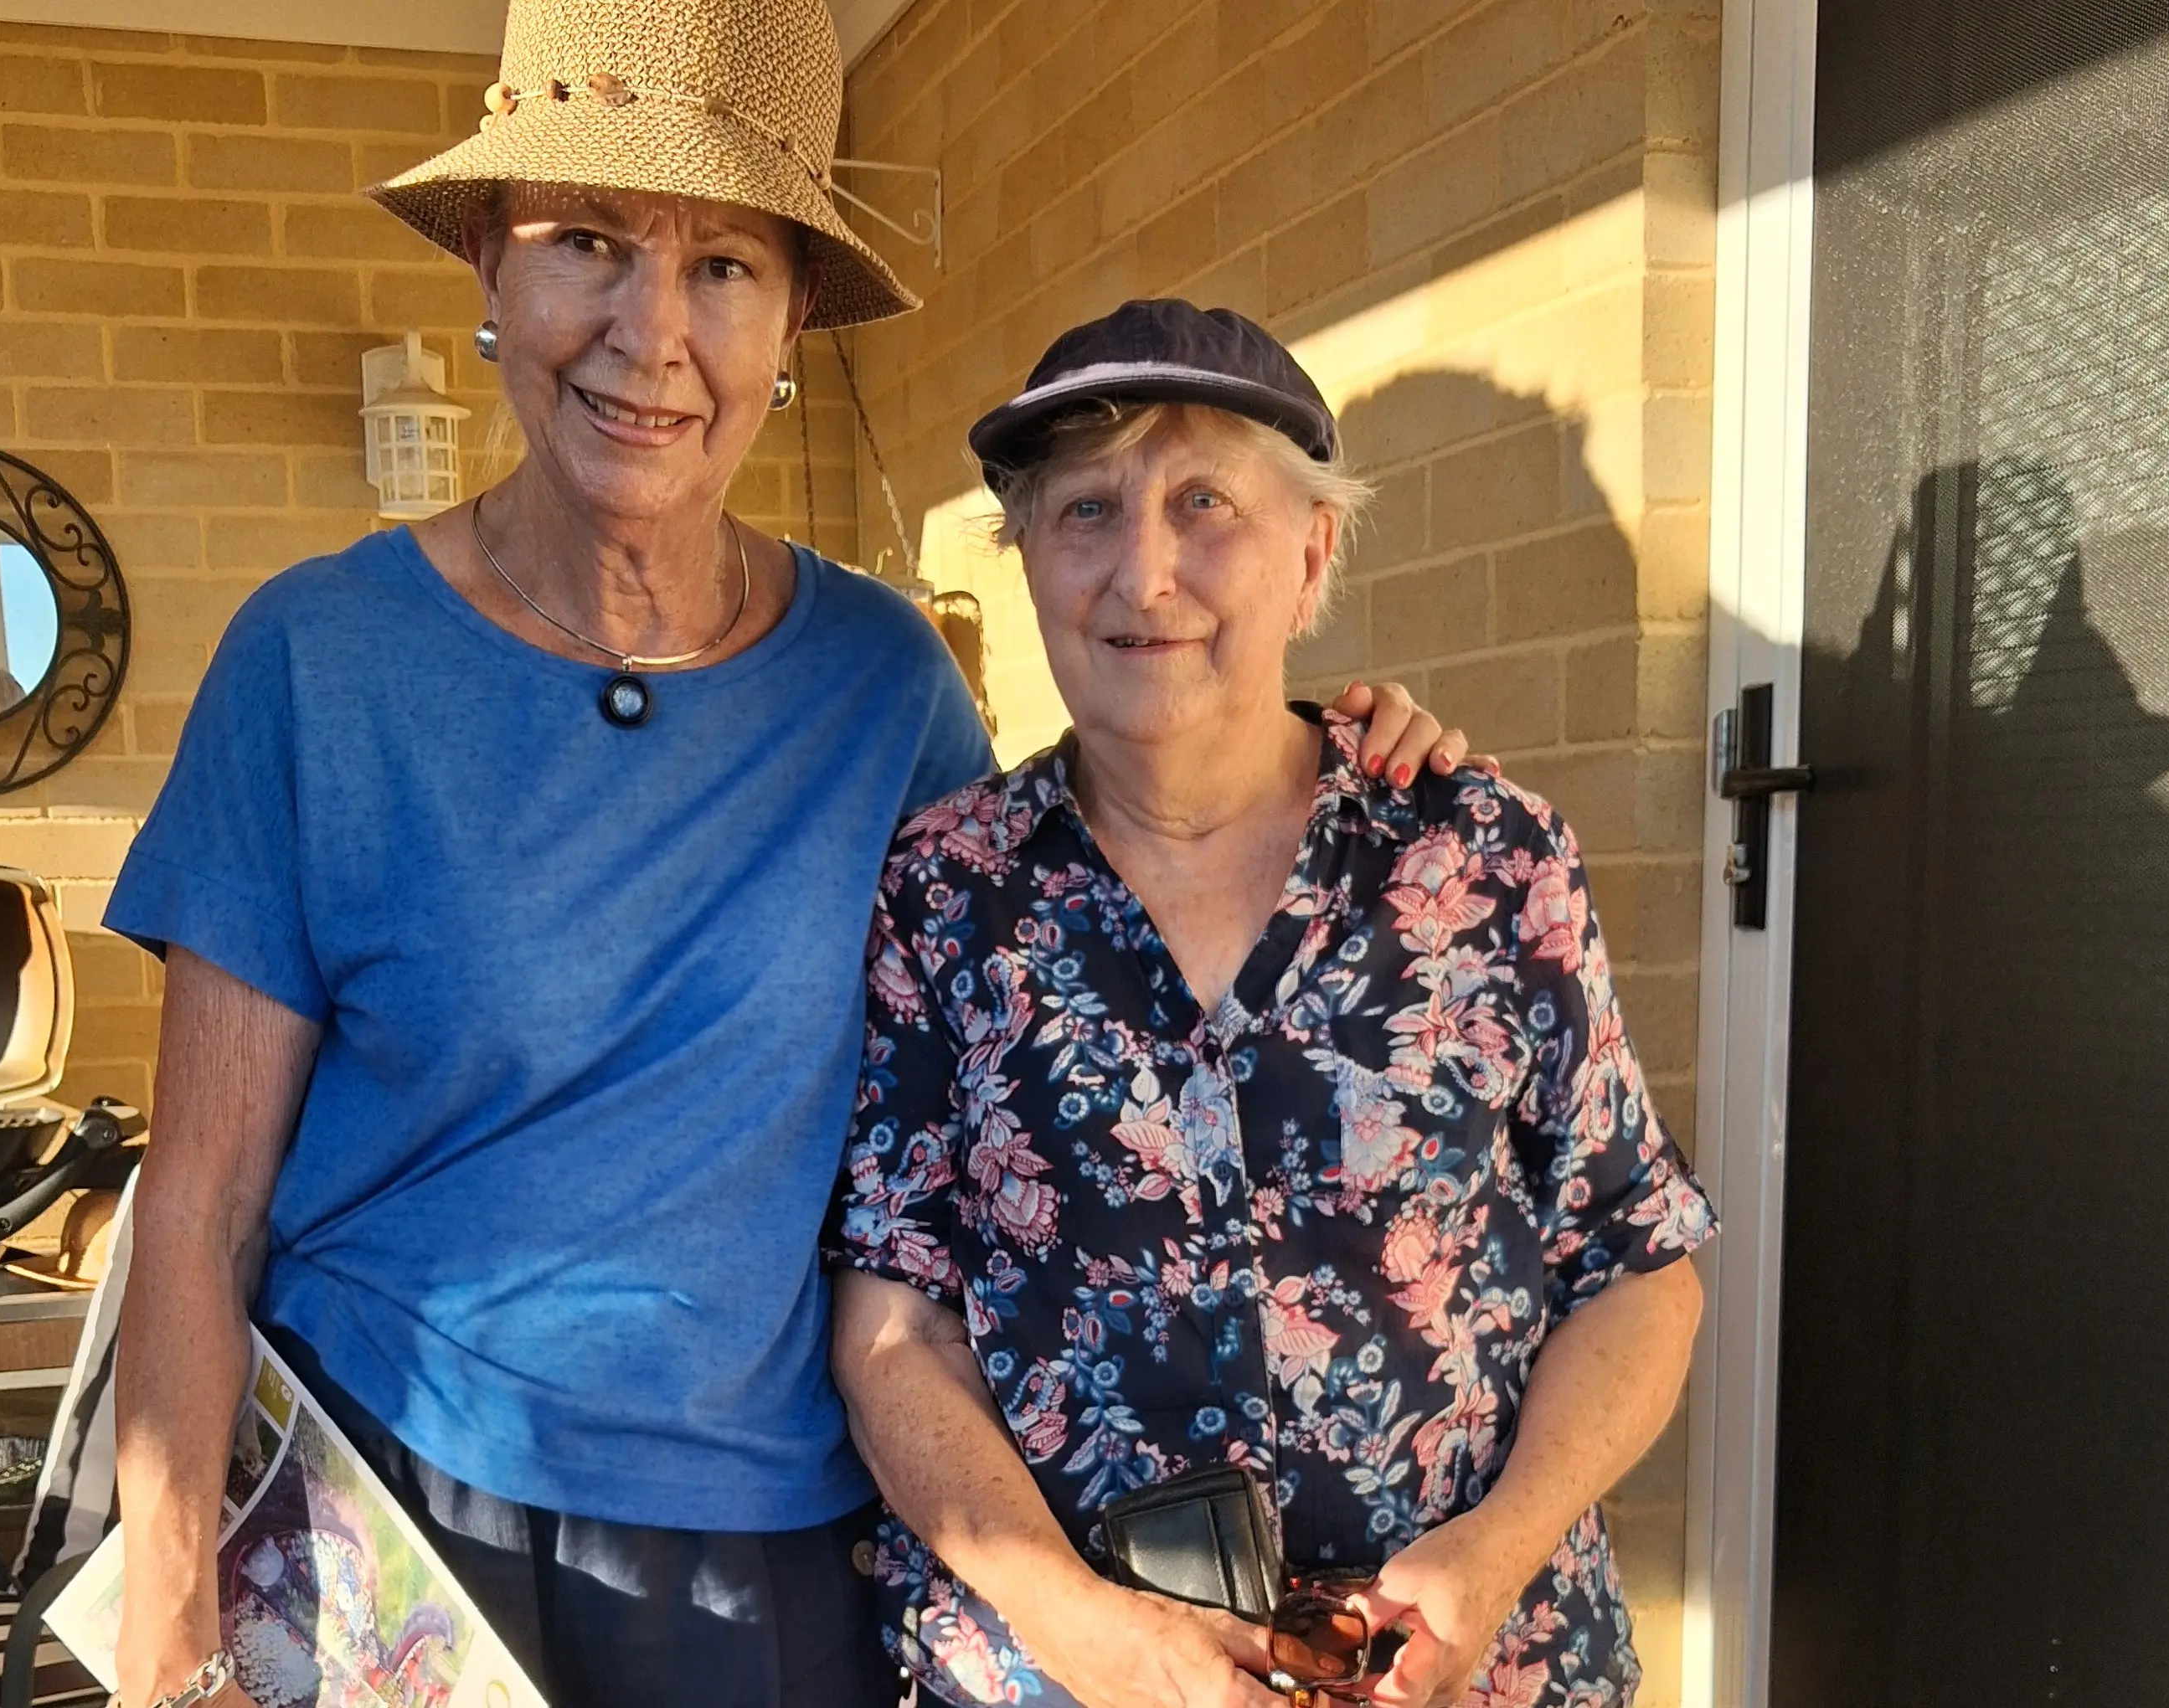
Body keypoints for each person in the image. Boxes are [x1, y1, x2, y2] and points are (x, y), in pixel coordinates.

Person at [99, 0, 1476, 1701]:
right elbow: (201, 1205)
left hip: (769, 1541)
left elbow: (1092, 909)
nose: (650, 335)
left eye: (725, 267)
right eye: (587, 242)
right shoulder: (317, 660)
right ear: (488, 260)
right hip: (386, 1521)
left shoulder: (883, 684)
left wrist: (1332, 756)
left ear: (792, 319)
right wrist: (165, 1619)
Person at [827, 301, 1717, 1708]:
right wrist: (1088, 1633)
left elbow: (1637, 1269)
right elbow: (896, 1329)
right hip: (1062, 1677)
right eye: (1087, 510)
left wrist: (1496, 1555)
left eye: (1205, 504)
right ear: (1030, 559)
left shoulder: (1483, 860)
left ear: (1311, 557)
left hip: (1467, 1668)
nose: (1145, 572)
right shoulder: (948, 893)